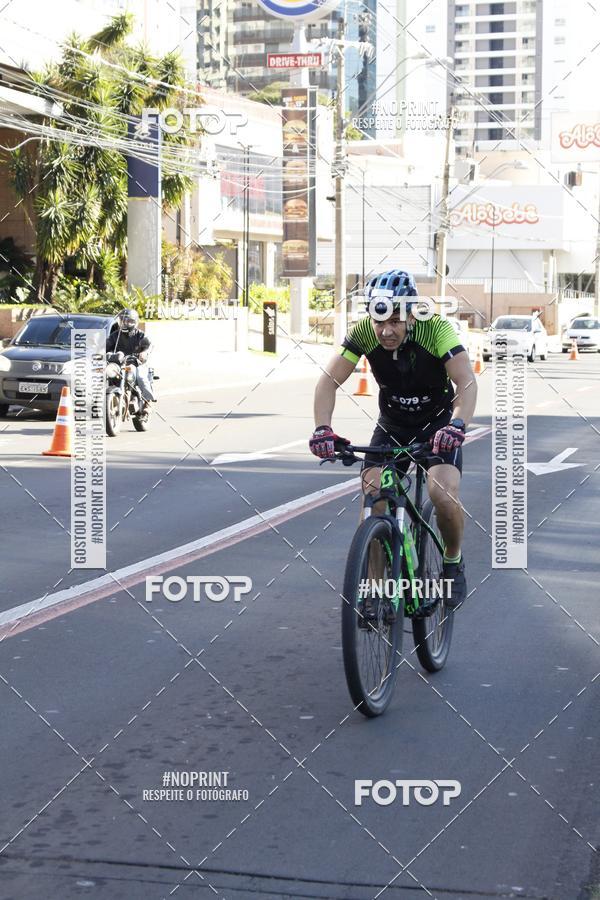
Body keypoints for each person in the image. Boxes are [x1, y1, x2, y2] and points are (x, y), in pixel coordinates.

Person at [309, 269, 477, 609]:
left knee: (441, 493)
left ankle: (452, 561)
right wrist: (322, 429)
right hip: (393, 425)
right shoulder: (363, 333)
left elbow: (466, 383)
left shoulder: (436, 330)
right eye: (379, 321)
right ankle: (374, 588)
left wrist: (457, 424)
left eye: (396, 321)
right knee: (374, 496)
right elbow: (329, 381)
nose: (386, 331)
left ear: (412, 314)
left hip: (439, 426)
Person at [106, 308, 156, 404]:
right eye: (123, 321)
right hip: (119, 364)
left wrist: (144, 352)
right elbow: (105, 346)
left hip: (137, 363)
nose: (126, 324)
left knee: (141, 377)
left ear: (135, 322)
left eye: (129, 321)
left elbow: (149, 345)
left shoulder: (140, 335)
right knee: (107, 374)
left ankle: (147, 402)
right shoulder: (115, 336)